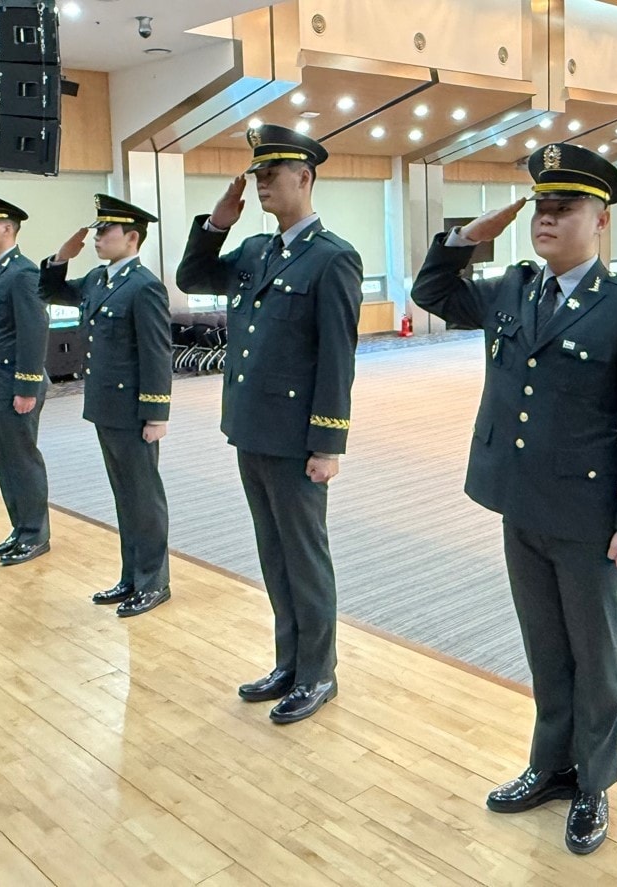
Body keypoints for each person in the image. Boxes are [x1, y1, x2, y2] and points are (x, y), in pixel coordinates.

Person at [410, 142, 617, 855]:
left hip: (587, 514)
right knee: (546, 649)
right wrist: (470, 235)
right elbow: (432, 293)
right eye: (540, 207)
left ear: (601, 221)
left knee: (594, 654)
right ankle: (551, 765)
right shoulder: (513, 288)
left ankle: (594, 783)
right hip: (520, 501)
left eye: (564, 208)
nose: (547, 218)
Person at [176, 125, 361, 725]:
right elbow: (192, 277)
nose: (259, 184)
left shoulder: (332, 257)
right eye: (255, 175)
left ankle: (318, 672)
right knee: (274, 554)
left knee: (304, 557)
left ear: (303, 177)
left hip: (296, 437)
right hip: (251, 426)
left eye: (270, 174)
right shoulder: (256, 250)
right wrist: (217, 224)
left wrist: (328, 443)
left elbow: (337, 358)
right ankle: (289, 663)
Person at [40, 195, 173, 617]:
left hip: (133, 409)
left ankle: (153, 581)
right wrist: (62, 257)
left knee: (143, 497)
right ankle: (131, 575)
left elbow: (156, 353)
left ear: (131, 237)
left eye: (105, 231)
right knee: (124, 496)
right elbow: (50, 290)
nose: (97, 238)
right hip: (105, 405)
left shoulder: (144, 286)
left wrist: (156, 413)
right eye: (97, 231)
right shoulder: (99, 279)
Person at [0, 193, 51, 566]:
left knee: (22, 461)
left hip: (15, 384)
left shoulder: (23, 273)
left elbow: (34, 332)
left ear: (7, 228)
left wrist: (27, 386)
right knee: (4, 462)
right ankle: (19, 528)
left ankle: (35, 534)